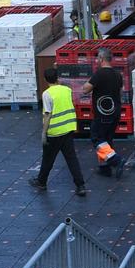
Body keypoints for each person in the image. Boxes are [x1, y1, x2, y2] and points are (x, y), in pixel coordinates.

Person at [31, 65, 86, 196]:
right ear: (57, 78)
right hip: (68, 129)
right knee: (71, 159)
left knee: (48, 159)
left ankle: (42, 182)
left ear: (45, 80)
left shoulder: (47, 94)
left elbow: (47, 114)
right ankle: (80, 185)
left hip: (54, 131)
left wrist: (43, 133)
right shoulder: (67, 90)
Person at [88, 57, 126, 178]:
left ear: (102, 59)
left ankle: (115, 160)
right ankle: (105, 168)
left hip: (102, 113)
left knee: (97, 139)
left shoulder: (99, 74)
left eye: (98, 58)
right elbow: (121, 91)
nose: (96, 60)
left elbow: (85, 89)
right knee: (107, 140)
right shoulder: (117, 74)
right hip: (115, 112)